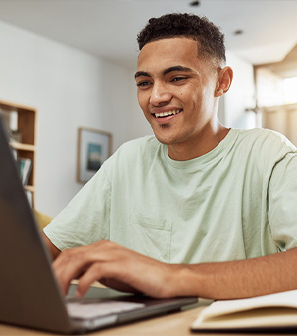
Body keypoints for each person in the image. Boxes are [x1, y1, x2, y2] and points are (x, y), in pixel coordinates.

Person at [42, 13, 297, 300]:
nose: (156, 97)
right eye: (144, 83)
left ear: (221, 82)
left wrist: (170, 276)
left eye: (176, 78)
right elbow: (48, 248)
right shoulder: (127, 160)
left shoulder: (269, 155)